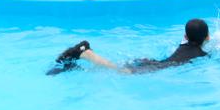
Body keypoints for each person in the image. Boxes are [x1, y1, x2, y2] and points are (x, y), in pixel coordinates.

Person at [47, 19, 210, 76]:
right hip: (158, 68)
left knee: (120, 68)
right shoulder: (201, 54)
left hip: (154, 62)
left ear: (186, 37)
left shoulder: (183, 44)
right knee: (120, 71)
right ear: (207, 37)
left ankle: (73, 66)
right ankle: (87, 54)